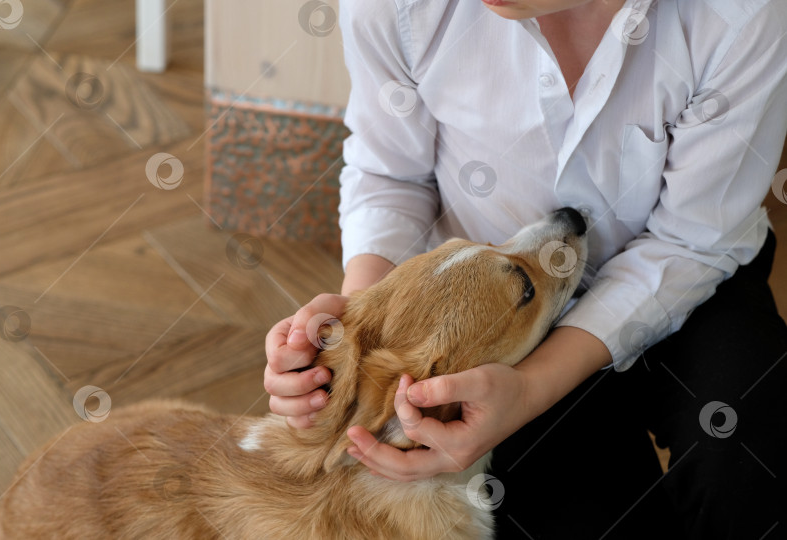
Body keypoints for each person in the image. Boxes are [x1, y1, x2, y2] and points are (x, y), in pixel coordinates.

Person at [263, 0, 787, 537]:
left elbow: (690, 241)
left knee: (753, 453)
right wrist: (361, 340)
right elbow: (390, 175)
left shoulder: (739, 16)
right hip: (490, 320)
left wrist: (534, 390)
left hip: (689, 279)